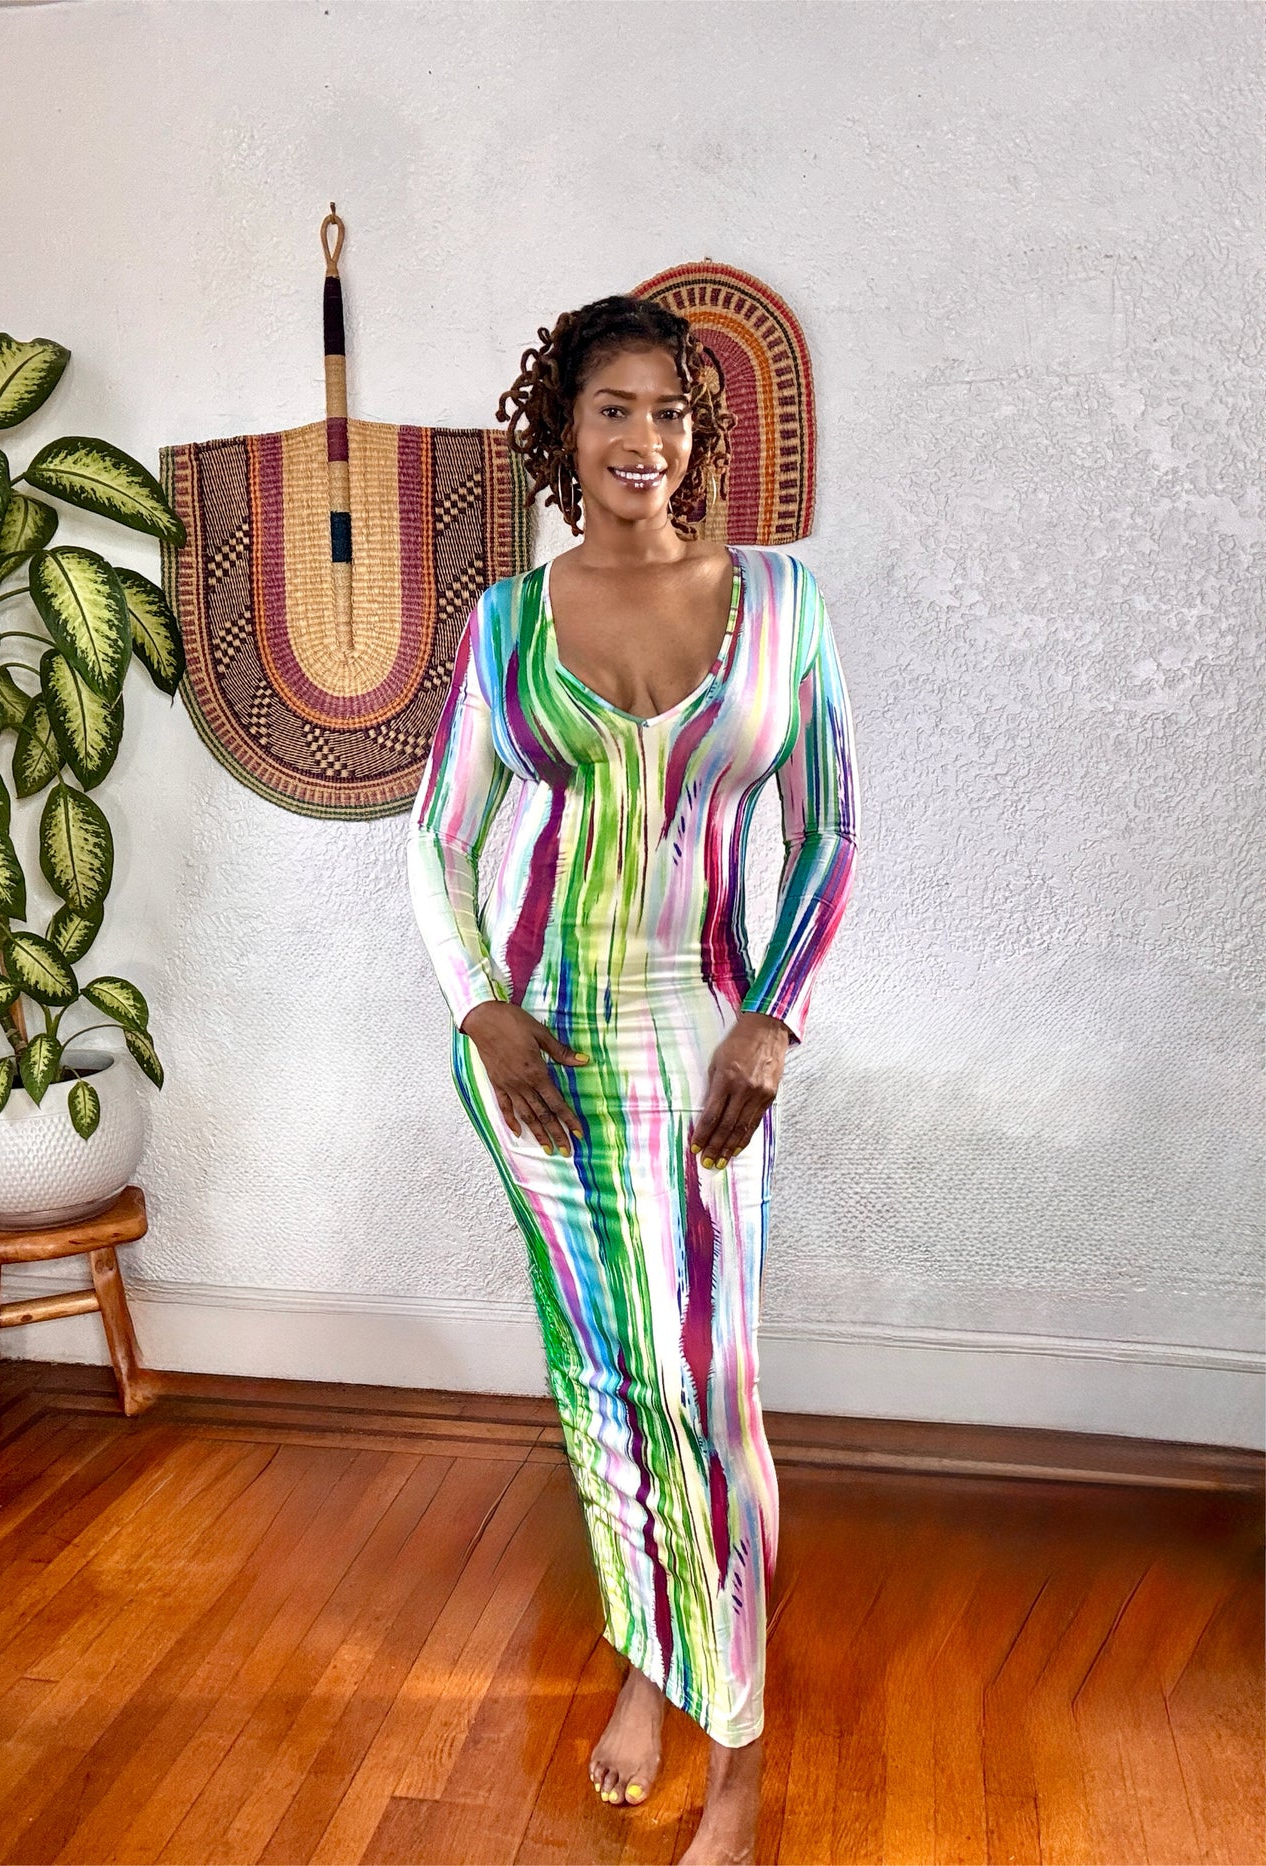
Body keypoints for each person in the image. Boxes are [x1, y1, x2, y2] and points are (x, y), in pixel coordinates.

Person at [405, 294, 860, 1865]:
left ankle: (738, 1760)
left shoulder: (781, 604)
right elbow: (436, 839)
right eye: (613, 408)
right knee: (606, 1388)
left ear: (698, 433)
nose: (644, 438)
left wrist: (775, 1016)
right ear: (565, 430)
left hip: (710, 1041)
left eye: (670, 410)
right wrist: (481, 1007)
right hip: (542, 1056)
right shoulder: (506, 625)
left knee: (710, 1392)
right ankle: (646, 1663)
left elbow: (829, 827)